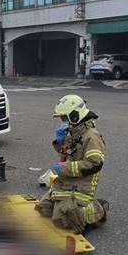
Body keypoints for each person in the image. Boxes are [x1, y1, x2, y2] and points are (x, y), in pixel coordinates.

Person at [35, 94, 109, 233]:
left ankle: (99, 209)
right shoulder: (75, 132)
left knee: (60, 221)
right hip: (66, 183)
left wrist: (64, 168)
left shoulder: (91, 136)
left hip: (81, 187)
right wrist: (60, 142)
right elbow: (66, 153)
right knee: (43, 208)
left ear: (75, 116)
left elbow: (94, 164)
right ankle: (67, 206)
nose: (62, 121)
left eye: (64, 118)